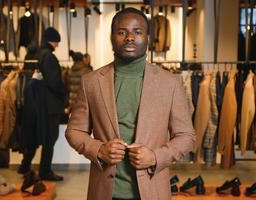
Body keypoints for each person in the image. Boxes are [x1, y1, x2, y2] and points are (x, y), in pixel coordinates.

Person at [65, 7, 196, 200]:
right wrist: (99, 149)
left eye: (137, 31)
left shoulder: (170, 83)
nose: (129, 38)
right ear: (112, 38)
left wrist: (155, 157)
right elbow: (74, 131)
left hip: (152, 191)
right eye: (122, 32)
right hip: (105, 192)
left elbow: (187, 136)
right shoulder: (91, 82)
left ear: (148, 37)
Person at [18, 27, 66, 181]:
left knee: (33, 135)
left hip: (34, 104)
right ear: (51, 40)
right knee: (49, 139)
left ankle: (24, 166)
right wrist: (63, 91)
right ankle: (45, 171)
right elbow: (54, 82)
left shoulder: (33, 54)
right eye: (56, 41)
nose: (57, 45)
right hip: (49, 106)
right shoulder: (49, 57)